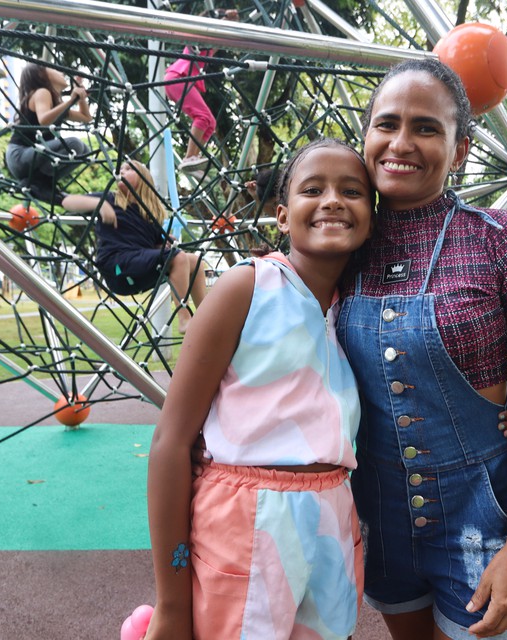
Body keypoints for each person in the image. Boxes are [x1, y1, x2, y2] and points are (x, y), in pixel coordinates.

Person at [336, 58, 507, 640]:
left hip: (478, 513)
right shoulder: (339, 247)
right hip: (380, 512)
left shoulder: (502, 240)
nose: (401, 143)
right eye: (386, 124)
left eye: (427, 128)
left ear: (460, 149)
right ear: (366, 137)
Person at [144, 138, 374, 639]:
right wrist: (170, 604)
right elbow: (170, 441)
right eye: (313, 189)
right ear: (282, 216)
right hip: (245, 518)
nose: (333, 200)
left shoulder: (361, 308)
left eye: (352, 191)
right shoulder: (245, 288)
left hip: (332, 517)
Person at [61, 160, 207, 333]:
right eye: (120, 169)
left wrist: (163, 243)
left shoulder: (150, 212)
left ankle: (206, 317)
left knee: (195, 261)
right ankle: (184, 318)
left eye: (128, 169)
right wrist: (98, 205)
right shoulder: (110, 199)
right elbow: (67, 202)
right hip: (117, 266)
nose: (121, 172)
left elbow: (149, 244)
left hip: (138, 267)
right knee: (179, 257)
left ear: (144, 178)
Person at [164, 8, 239, 175]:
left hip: (181, 81)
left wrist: (230, 23)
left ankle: (193, 158)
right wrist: (224, 17)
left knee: (210, 122)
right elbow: (209, 24)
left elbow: (219, 41)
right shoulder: (197, 37)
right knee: (203, 117)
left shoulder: (208, 45)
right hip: (178, 78)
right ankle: (189, 157)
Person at [5, 63, 93, 204]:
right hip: (20, 155)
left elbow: (86, 118)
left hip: (32, 158)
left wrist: (81, 98)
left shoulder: (56, 104)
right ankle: (39, 183)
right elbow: (44, 120)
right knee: (74, 144)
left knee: (85, 151)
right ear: (41, 75)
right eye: (54, 69)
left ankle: (43, 182)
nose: (61, 72)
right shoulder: (41, 92)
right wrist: (71, 100)